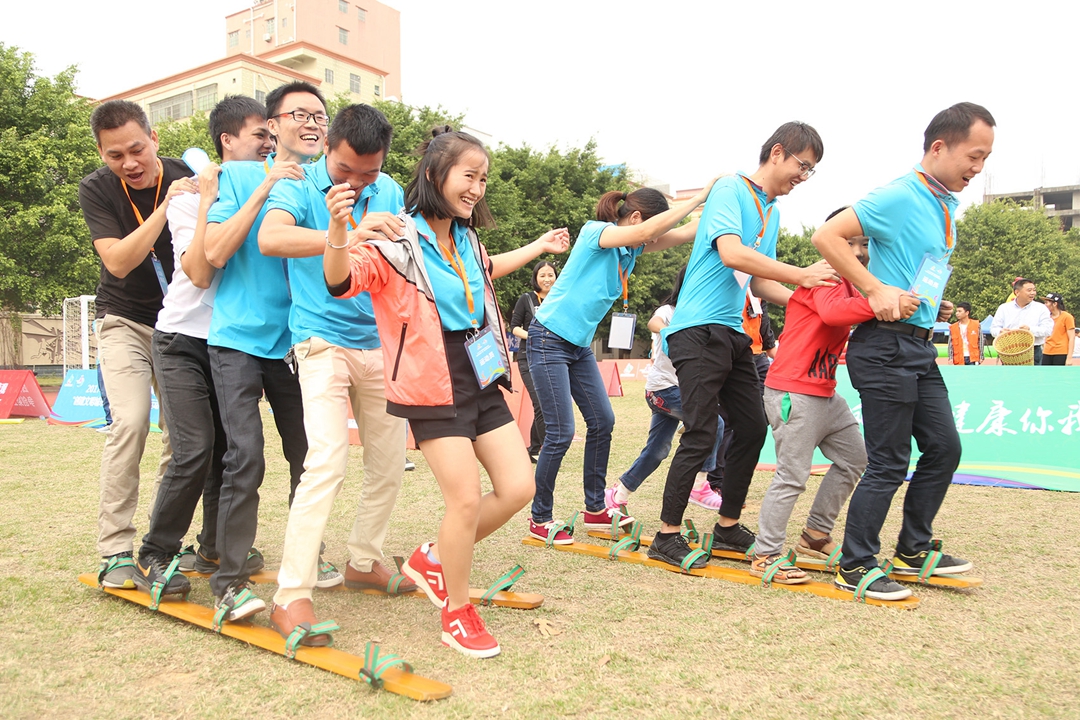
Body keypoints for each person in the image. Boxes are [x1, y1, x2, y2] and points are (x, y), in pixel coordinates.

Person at [323, 127, 570, 658]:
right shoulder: (394, 239)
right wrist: (340, 230)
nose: (478, 188)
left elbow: (484, 273)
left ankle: (435, 557)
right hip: (429, 383)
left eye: (483, 178)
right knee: (461, 500)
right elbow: (341, 280)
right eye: (469, 176)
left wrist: (537, 247)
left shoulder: (467, 239)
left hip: (480, 375)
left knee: (518, 488)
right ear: (436, 175)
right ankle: (456, 612)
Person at [813, 102, 995, 600]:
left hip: (918, 346)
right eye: (973, 156)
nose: (977, 169)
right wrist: (873, 289)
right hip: (884, 347)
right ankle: (857, 563)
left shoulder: (945, 201)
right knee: (889, 461)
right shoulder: (898, 194)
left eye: (985, 160)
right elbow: (826, 235)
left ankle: (914, 549)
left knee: (945, 447)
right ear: (940, 147)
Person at [258, 103, 420, 644]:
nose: (356, 182)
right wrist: (347, 230)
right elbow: (271, 240)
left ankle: (363, 559)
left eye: (368, 174)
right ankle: (291, 594)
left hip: (380, 343)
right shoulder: (300, 182)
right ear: (328, 148)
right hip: (320, 341)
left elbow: (400, 259)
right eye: (346, 170)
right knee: (325, 461)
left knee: (388, 463)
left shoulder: (391, 190)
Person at [651, 121, 837, 571]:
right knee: (701, 430)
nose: (803, 176)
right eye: (802, 165)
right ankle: (666, 536)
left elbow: (758, 280)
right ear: (778, 152)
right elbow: (732, 253)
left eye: (811, 171)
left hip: (734, 333)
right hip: (695, 329)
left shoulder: (771, 212)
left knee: (751, 429)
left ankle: (728, 527)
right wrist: (803, 274)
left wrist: (811, 303)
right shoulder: (731, 190)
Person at [134, 96, 276, 598]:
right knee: (193, 450)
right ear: (228, 140)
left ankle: (214, 546)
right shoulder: (192, 195)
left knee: (229, 453)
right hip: (181, 340)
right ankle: (155, 552)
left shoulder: (272, 188)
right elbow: (198, 269)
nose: (269, 142)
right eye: (260, 134)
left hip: (232, 342)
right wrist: (213, 200)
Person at [527, 182, 715, 545]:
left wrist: (721, 208)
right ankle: (540, 517)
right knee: (561, 432)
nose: (650, 241)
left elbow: (684, 232)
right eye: (647, 229)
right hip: (548, 339)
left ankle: (596, 509)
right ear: (634, 217)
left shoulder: (629, 251)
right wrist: (699, 195)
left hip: (578, 347)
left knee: (603, 421)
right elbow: (649, 232)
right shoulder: (596, 233)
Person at [201, 81, 323, 623]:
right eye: (299, 114)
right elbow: (213, 253)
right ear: (272, 126)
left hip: (296, 343)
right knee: (245, 457)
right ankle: (229, 581)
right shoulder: (238, 174)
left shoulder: (325, 183)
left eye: (321, 114)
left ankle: (304, 562)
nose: (313, 123)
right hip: (236, 341)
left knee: (311, 458)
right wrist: (265, 183)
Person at [751, 214, 919, 584]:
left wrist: (919, 307)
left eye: (865, 245)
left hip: (825, 392)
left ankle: (815, 534)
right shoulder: (823, 274)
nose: (858, 253)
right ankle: (765, 555)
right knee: (792, 476)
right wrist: (882, 301)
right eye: (850, 243)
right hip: (794, 390)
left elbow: (871, 309)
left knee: (855, 460)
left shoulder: (856, 285)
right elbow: (833, 312)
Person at [78, 100, 190, 588]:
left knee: (184, 436)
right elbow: (119, 262)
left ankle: (162, 543)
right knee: (128, 423)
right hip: (123, 320)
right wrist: (167, 208)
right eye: (115, 155)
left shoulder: (188, 173)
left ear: (155, 140)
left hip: (178, 323)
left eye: (137, 149)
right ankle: (115, 550)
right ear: (103, 155)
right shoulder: (97, 189)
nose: (129, 163)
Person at [605, 266, 724, 514]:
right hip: (663, 390)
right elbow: (654, 322)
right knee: (715, 422)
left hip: (683, 390)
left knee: (658, 450)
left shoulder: (704, 314)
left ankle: (618, 494)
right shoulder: (669, 312)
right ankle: (700, 485)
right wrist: (668, 330)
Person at [510, 261, 558, 461]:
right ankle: (546, 450)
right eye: (542, 275)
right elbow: (514, 327)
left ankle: (533, 448)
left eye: (550, 275)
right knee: (540, 403)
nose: (546, 279)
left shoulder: (560, 298)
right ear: (535, 278)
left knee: (548, 403)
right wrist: (534, 336)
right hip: (528, 357)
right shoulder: (527, 299)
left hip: (552, 357)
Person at [991, 278, 1052, 364]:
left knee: (1033, 377)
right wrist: (1000, 331)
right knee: (1010, 377)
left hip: (1033, 352)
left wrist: (1030, 330)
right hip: (1009, 352)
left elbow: (1047, 330)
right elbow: (994, 328)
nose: (1033, 293)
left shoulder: (1041, 308)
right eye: (1029, 290)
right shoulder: (1004, 308)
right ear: (1017, 292)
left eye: (1034, 290)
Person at [1041, 292, 1075, 365]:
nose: (1045, 305)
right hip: (1047, 351)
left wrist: (1069, 358)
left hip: (1061, 352)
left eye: (1047, 302)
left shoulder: (1067, 317)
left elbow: (1071, 338)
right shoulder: (1046, 317)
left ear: (1055, 304)